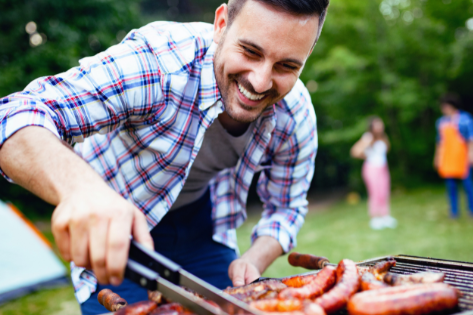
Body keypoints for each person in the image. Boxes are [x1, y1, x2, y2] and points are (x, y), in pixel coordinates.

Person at [0, 0, 329, 313]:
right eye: (249, 51)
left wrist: (254, 259)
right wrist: (81, 191)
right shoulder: (157, 62)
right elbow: (14, 115)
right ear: (221, 24)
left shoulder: (295, 113)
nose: (259, 82)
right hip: (119, 233)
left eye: (287, 65)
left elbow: (286, 208)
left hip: (205, 226)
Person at [350, 116, 397, 230]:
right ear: (372, 127)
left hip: (383, 168)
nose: (380, 127)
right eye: (377, 125)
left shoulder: (383, 137)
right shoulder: (368, 137)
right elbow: (355, 151)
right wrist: (366, 155)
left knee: (384, 192)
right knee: (375, 192)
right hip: (371, 168)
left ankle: (385, 216)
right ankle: (375, 218)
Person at [433, 94, 473, 219]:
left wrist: (471, 154)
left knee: (468, 186)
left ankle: (471, 210)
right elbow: (440, 142)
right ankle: (454, 212)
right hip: (448, 158)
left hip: (462, 157)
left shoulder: (465, 119)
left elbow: (470, 139)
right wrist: (438, 158)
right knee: (451, 187)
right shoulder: (441, 122)